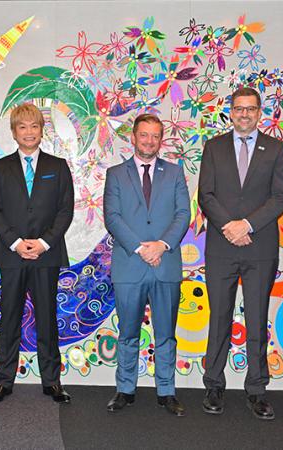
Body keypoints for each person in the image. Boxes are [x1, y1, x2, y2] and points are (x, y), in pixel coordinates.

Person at [197, 87, 283, 420]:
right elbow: (205, 195)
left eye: (251, 109)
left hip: (260, 246)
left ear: (259, 112)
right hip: (222, 247)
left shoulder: (276, 149)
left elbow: (280, 198)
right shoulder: (214, 147)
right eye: (239, 109)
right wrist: (230, 227)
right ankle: (214, 384)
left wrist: (246, 225)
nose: (245, 114)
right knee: (219, 316)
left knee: (256, 319)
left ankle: (257, 389)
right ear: (230, 112)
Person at [0, 103, 74, 404]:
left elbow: (65, 211)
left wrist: (44, 242)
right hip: (11, 255)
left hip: (46, 255)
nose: (28, 132)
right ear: (14, 131)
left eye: (34, 126)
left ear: (41, 130)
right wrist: (15, 243)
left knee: (47, 318)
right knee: (8, 317)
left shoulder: (57, 166)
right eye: (22, 126)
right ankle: (3, 381)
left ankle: (52, 381)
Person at [103, 114, 190, 415]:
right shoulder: (116, 174)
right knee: (128, 332)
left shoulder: (175, 173)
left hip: (165, 264)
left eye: (155, 136)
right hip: (129, 265)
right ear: (134, 137)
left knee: (166, 333)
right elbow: (112, 217)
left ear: (161, 139)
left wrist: (162, 245)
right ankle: (125, 389)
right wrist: (141, 248)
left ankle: (166, 392)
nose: (149, 141)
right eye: (144, 135)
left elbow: (183, 214)